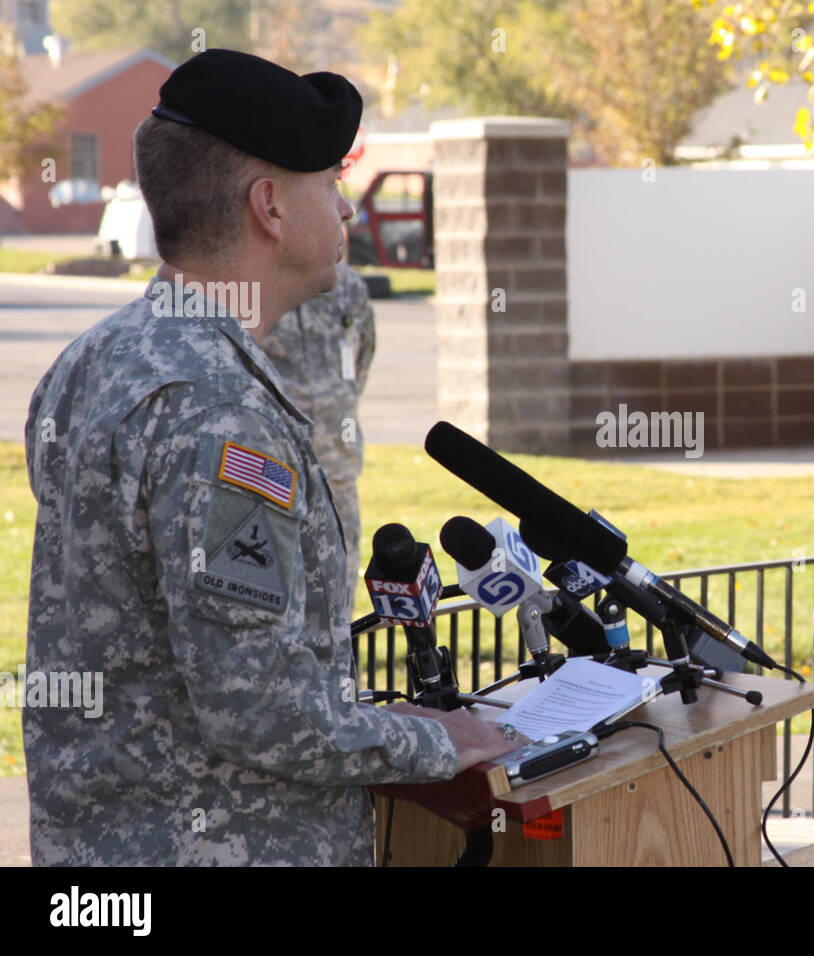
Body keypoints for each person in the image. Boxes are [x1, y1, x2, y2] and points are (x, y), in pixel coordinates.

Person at [23, 49, 517, 866]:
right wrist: (441, 742)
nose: (348, 212)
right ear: (271, 207)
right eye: (329, 185)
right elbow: (258, 710)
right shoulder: (223, 414)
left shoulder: (95, 359)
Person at [262, 260, 375, 617]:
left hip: (336, 459)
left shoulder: (348, 287)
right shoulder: (257, 281)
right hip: (272, 457)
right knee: (274, 575)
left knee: (338, 576)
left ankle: (339, 664)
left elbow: (362, 355)